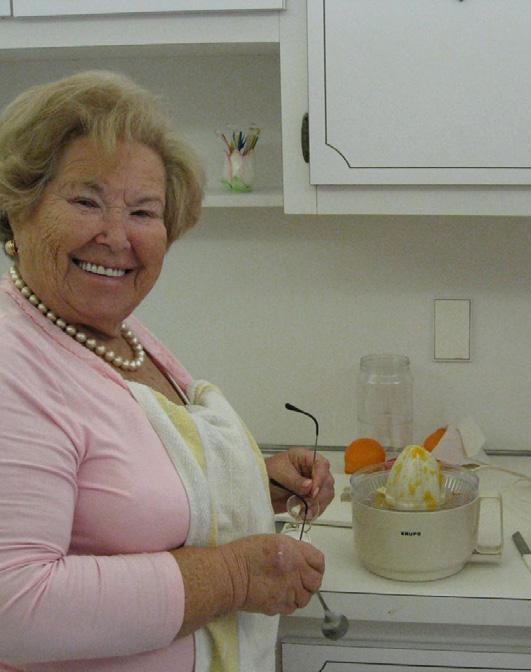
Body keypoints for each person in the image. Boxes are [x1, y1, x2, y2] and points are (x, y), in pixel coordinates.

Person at [0, 71, 334, 671]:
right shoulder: (12, 360)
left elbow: (116, 490)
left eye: (143, 211)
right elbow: (15, 607)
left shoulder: (112, 329)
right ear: (17, 207)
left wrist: (252, 484)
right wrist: (235, 575)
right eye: (86, 201)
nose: (116, 237)